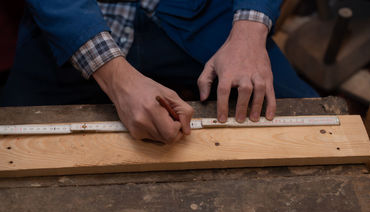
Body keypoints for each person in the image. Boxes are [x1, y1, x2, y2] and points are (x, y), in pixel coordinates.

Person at [1, 0, 318, 143]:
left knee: (317, 129)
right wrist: (117, 78)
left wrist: (250, 27)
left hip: (206, 15)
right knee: (11, 142)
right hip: (74, 23)